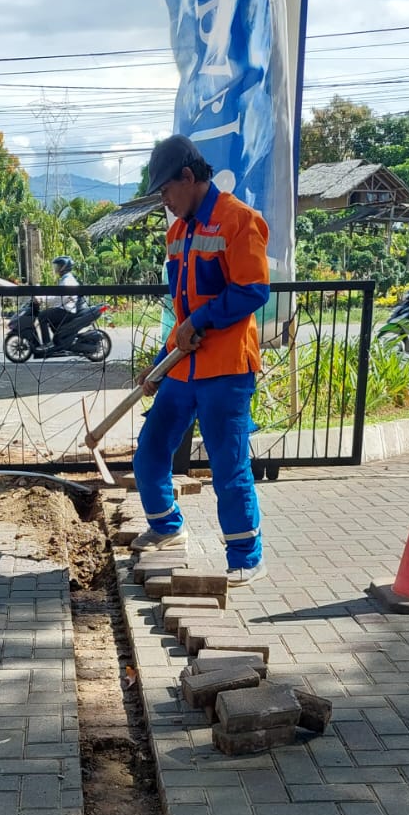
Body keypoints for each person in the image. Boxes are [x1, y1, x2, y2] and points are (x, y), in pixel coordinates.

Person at [130, 134, 270, 585]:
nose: (165, 201)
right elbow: (182, 314)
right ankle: (167, 527)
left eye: (166, 190)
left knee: (228, 465)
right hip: (184, 367)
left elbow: (252, 290)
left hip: (226, 369)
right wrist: (160, 363)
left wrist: (202, 321)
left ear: (188, 177)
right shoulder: (177, 234)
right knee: (151, 450)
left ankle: (246, 556)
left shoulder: (240, 221)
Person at [36, 256, 81, 345]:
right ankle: (58, 342)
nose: (56, 268)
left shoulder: (67, 281)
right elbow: (57, 295)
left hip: (66, 310)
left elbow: (59, 298)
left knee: (42, 316)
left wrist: (43, 299)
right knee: (49, 316)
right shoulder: (65, 279)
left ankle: (47, 344)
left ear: (64, 267)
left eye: (58, 266)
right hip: (65, 308)